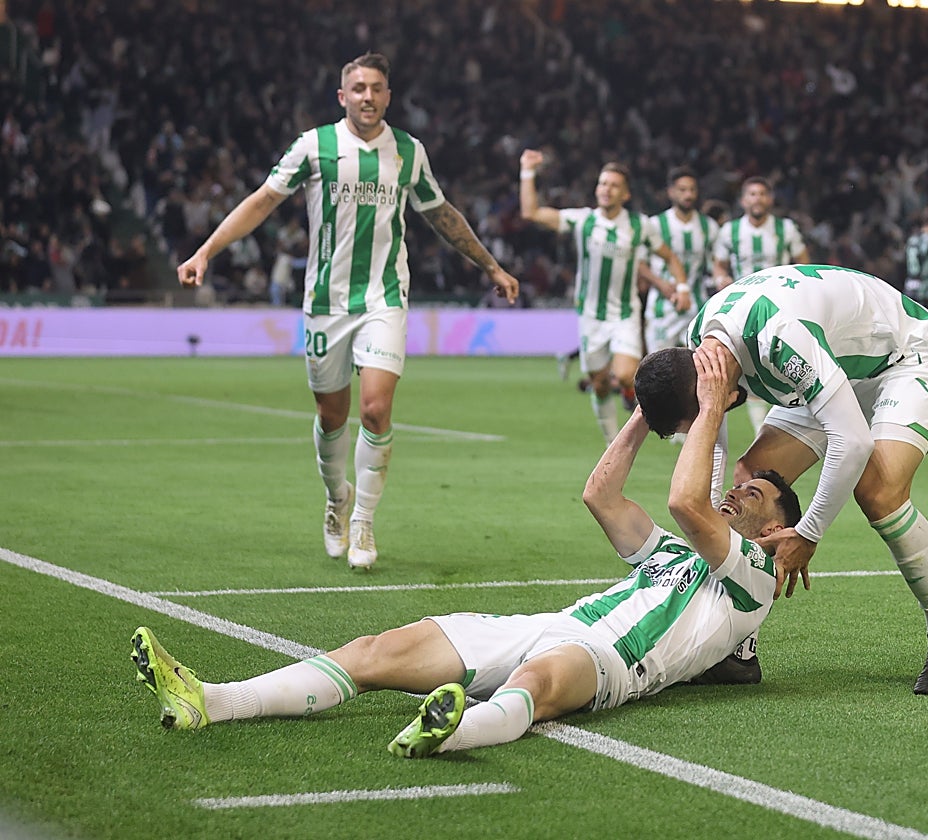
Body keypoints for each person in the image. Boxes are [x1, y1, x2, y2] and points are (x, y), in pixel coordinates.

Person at [129, 351, 802, 759]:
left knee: (536, 686)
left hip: (609, 662)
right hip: (545, 625)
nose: (740, 490)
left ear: (775, 535)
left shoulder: (753, 579)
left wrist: (710, 403)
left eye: (758, 495)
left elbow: (688, 502)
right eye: (742, 483)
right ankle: (211, 700)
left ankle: (452, 730)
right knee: (376, 649)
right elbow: (601, 495)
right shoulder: (675, 561)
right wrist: (650, 412)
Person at [176, 53, 519, 570]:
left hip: (384, 297)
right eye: (357, 88)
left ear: (388, 95)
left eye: (376, 88)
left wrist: (490, 265)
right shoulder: (315, 146)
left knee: (377, 409)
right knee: (331, 415)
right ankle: (337, 497)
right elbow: (262, 201)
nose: (367, 97)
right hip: (325, 303)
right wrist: (206, 250)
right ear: (342, 96)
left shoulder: (408, 151)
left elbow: (441, 213)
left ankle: (363, 518)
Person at [634, 263, 928, 695]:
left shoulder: (778, 338)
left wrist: (806, 534)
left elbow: (851, 443)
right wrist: (716, 513)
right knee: (751, 485)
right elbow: (711, 432)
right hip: (833, 364)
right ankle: (739, 649)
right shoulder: (702, 345)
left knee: (878, 492)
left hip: (906, 355)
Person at [519, 149, 688, 443]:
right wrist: (527, 172)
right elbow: (531, 213)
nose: (606, 189)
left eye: (613, 185)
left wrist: (681, 288)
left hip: (624, 313)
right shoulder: (583, 221)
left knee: (626, 375)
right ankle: (612, 443)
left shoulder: (639, 226)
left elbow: (670, 256)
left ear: (625, 194)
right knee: (598, 385)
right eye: (602, 183)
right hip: (590, 316)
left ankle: (627, 400)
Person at [712, 177, 808, 433]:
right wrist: (721, 279)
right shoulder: (730, 231)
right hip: (744, 309)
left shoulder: (785, 229)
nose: (758, 199)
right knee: (753, 364)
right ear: (744, 200)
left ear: (770, 199)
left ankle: (792, 426)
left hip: (782, 307)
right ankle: (760, 433)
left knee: (785, 368)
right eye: (752, 194)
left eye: (762, 194)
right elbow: (719, 264)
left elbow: (803, 262)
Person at [645, 166, 719, 356]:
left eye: (692, 190)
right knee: (659, 369)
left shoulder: (708, 226)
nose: (688, 194)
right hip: (662, 307)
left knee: (697, 368)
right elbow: (639, 263)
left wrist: (720, 278)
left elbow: (715, 263)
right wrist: (662, 284)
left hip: (697, 305)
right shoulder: (655, 225)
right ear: (671, 192)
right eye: (682, 190)